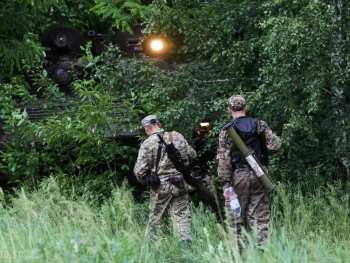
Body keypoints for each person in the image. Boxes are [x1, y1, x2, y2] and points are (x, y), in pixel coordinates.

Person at [217, 95, 281, 248]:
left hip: (238, 176)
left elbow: (223, 158)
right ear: (245, 107)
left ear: (229, 109)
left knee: (235, 216)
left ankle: (239, 254)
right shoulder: (260, 125)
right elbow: (275, 145)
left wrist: (225, 184)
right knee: (260, 218)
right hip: (260, 175)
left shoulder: (227, 130)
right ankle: (261, 252)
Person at [134, 115, 196, 242]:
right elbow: (192, 154)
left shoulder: (147, 143)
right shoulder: (177, 136)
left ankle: (156, 247)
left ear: (146, 128)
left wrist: (147, 180)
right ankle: (185, 244)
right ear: (159, 124)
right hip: (180, 182)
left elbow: (139, 171)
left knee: (156, 217)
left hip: (161, 186)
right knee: (181, 214)